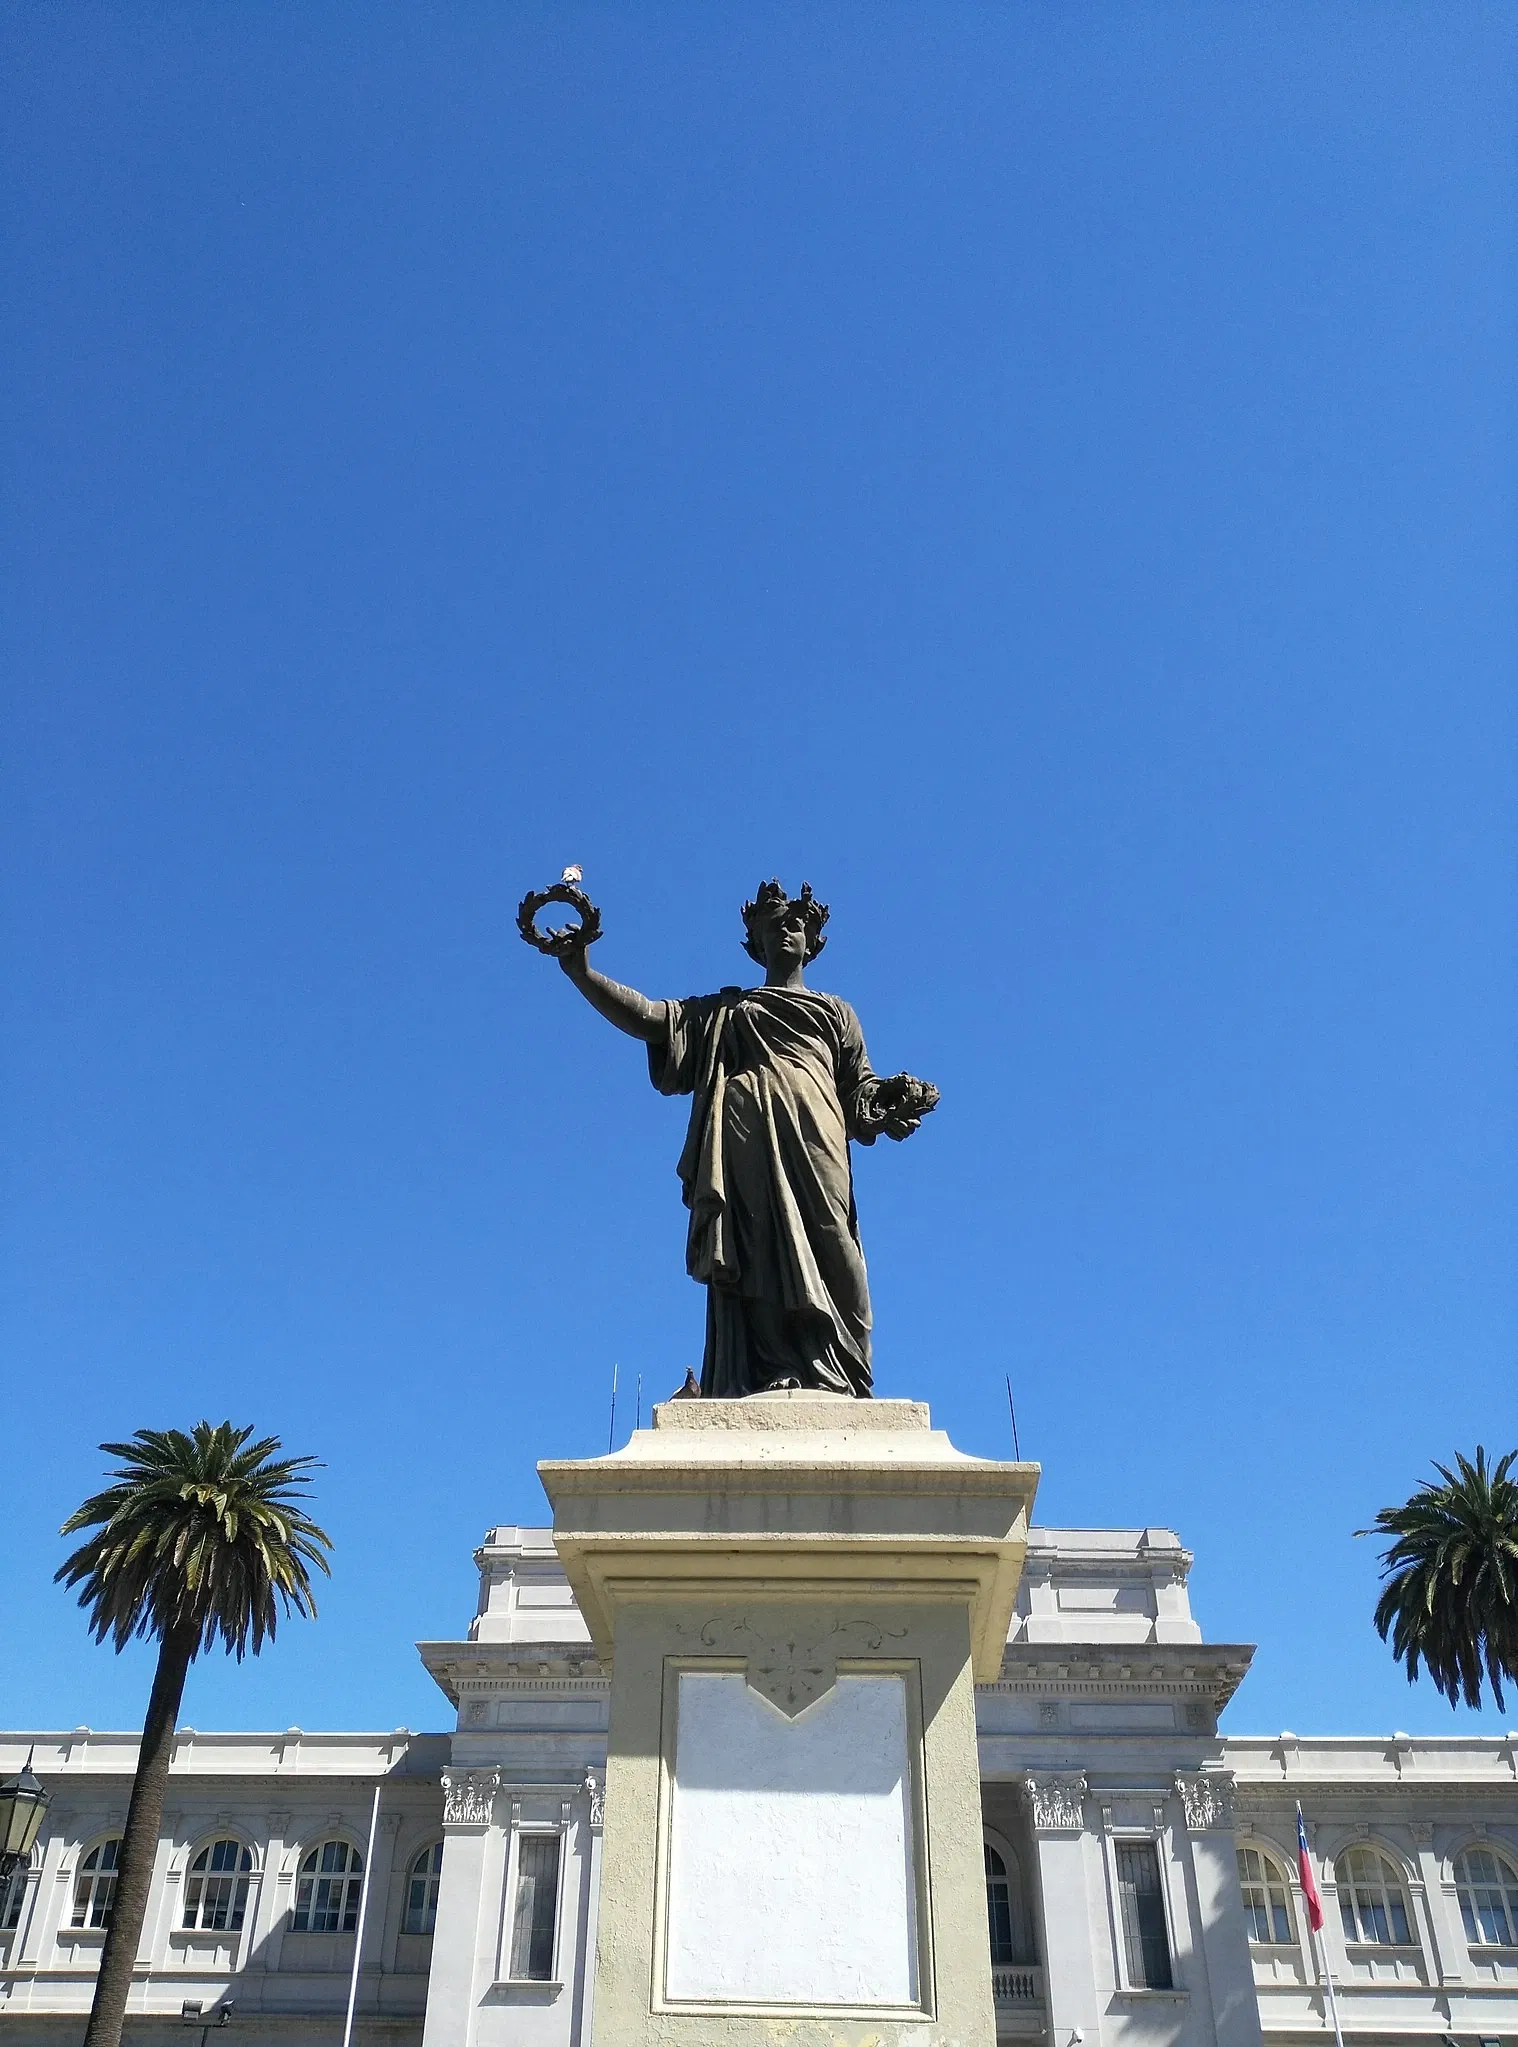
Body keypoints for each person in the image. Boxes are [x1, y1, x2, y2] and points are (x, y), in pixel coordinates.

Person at [551, 879, 937, 1397]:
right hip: (744, 1135)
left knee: (834, 1243)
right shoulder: (725, 1011)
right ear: (754, 941)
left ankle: (845, 1370)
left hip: (818, 1135)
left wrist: (889, 1099)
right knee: (757, 1246)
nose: (785, 931)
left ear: (813, 942)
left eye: (796, 924)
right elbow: (650, 1018)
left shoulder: (836, 1013)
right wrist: (582, 971)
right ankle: (776, 1365)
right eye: (772, 925)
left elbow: (858, 1091)